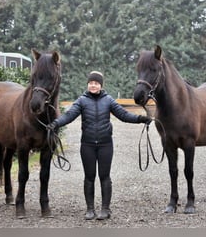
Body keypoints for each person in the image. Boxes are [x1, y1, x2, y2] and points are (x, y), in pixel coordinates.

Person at [47, 71, 151, 220]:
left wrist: (141, 118)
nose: (93, 85)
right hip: (87, 145)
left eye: (96, 83)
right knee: (89, 177)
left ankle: (105, 209)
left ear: (100, 85)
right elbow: (69, 116)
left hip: (105, 145)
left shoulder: (108, 100)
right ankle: (90, 209)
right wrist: (55, 123)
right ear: (88, 84)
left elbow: (123, 115)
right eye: (91, 83)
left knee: (105, 176)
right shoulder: (82, 101)